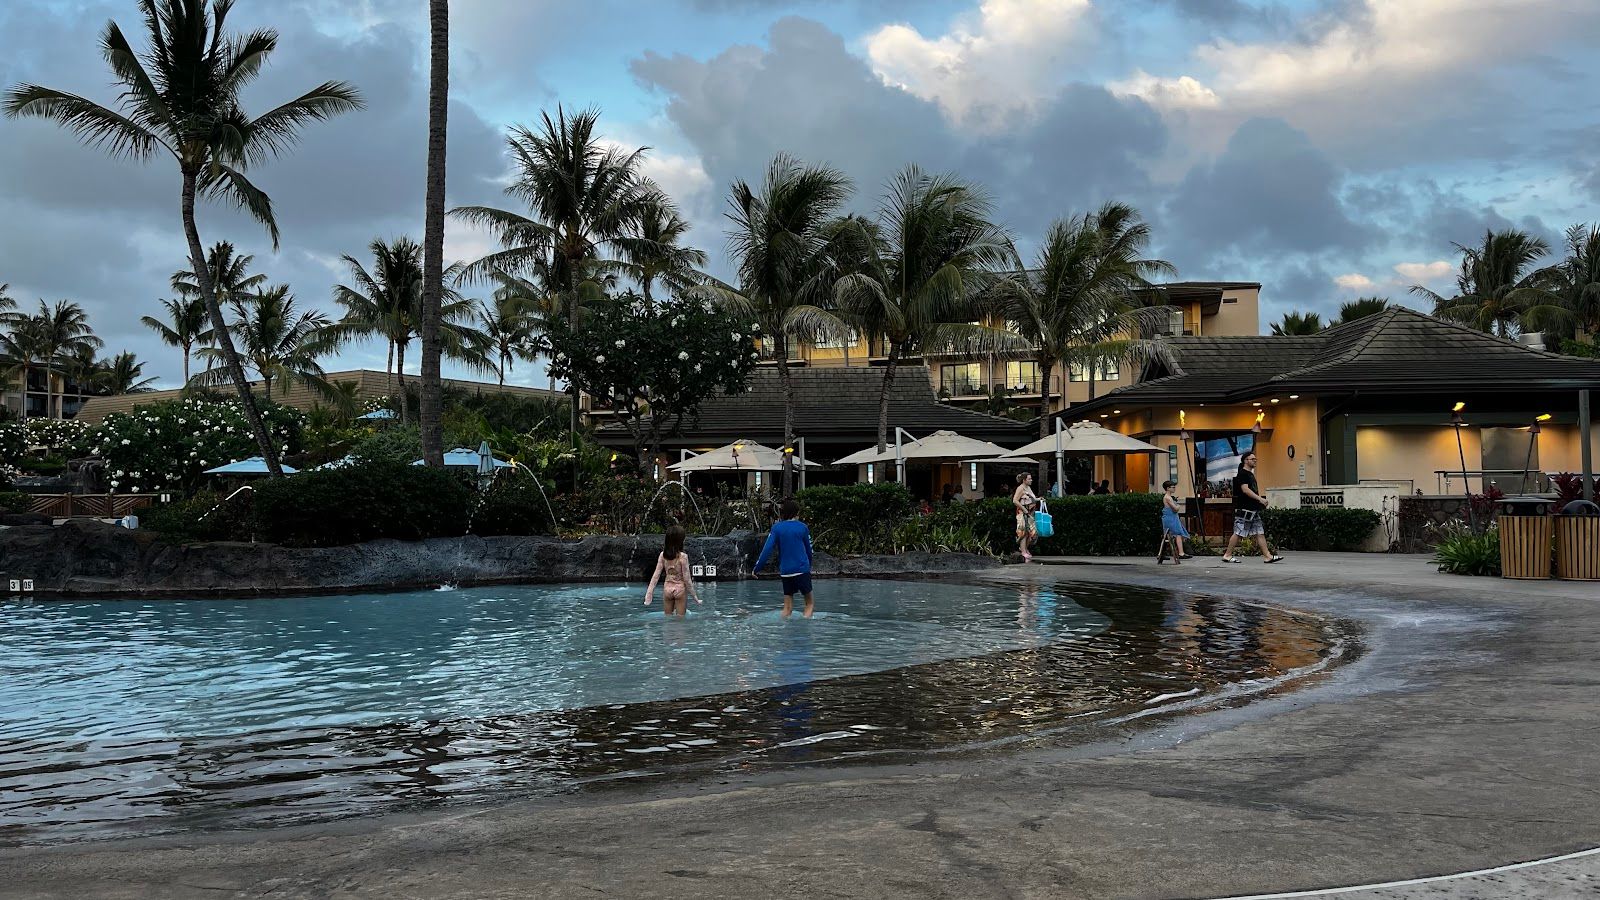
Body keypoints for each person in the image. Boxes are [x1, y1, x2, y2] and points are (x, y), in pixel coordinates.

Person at [754, 498, 816, 619]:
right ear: (796, 513)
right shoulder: (802, 527)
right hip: (802, 570)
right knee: (809, 604)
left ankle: (784, 628)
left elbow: (767, 550)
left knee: (787, 609)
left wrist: (757, 568)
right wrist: (809, 566)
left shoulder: (777, 528)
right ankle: (805, 625)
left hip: (786, 572)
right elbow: (809, 550)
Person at [1221, 451, 1284, 564]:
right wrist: (1260, 499)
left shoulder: (1249, 474)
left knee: (1259, 532)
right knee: (1238, 532)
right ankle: (1227, 555)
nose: (1255, 461)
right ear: (1246, 461)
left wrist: (1258, 502)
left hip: (1252, 509)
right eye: (1252, 459)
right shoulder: (1243, 474)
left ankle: (1268, 556)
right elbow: (1245, 490)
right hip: (1245, 509)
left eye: (1255, 459)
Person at [644, 524, 701, 615]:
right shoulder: (683, 557)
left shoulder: (663, 555)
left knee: (668, 618)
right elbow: (687, 579)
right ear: (680, 541)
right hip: (680, 589)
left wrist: (649, 593)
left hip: (667, 589)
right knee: (680, 620)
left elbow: (655, 576)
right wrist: (695, 597)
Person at [1160, 480, 1193, 561]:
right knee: (1177, 533)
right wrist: (1178, 506)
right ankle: (1181, 553)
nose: (1174, 488)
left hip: (1172, 518)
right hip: (1170, 518)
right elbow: (1175, 509)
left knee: (1168, 535)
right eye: (1173, 487)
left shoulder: (1169, 497)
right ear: (1168, 488)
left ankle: (1162, 554)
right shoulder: (1168, 498)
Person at [1013, 472, 1040, 563]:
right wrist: (1024, 510)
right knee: (1023, 532)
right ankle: (1023, 551)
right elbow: (1015, 500)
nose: (1031, 480)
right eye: (1029, 479)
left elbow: (1032, 498)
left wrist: (1039, 499)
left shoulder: (1028, 488)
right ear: (1024, 480)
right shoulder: (1020, 488)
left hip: (1030, 513)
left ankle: (1024, 548)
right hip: (1022, 513)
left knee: (1032, 532)